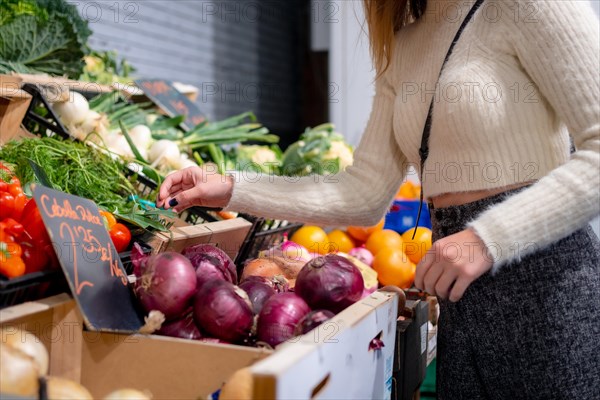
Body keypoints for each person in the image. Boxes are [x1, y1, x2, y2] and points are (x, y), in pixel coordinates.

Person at [158, 0, 599, 397]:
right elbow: (362, 192)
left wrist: (489, 238)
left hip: (547, 289)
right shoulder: (406, 40)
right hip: (460, 298)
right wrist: (233, 187)